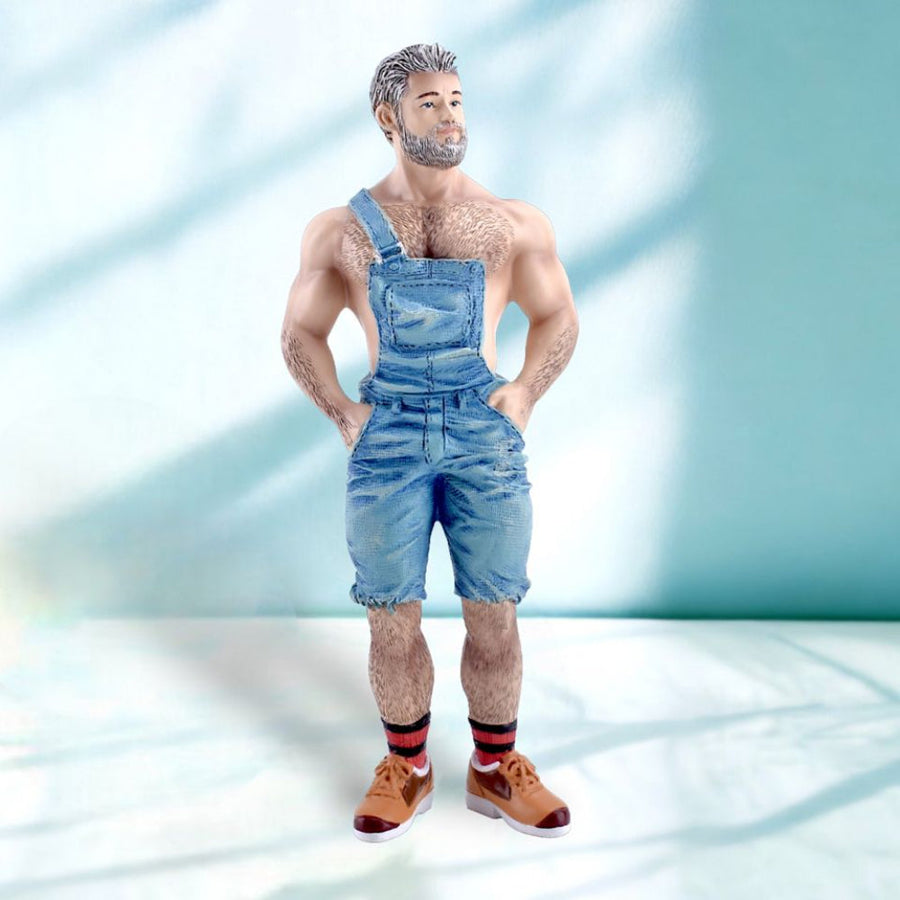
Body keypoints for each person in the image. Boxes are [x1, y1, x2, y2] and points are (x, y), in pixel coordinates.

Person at [281, 42, 579, 841]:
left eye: (456, 100)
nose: (450, 116)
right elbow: (300, 332)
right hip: (389, 438)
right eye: (429, 103)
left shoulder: (513, 223)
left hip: (483, 434)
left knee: (495, 612)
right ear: (389, 117)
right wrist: (342, 412)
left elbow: (558, 314)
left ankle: (495, 767)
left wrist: (524, 390)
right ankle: (407, 768)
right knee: (391, 616)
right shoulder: (340, 231)